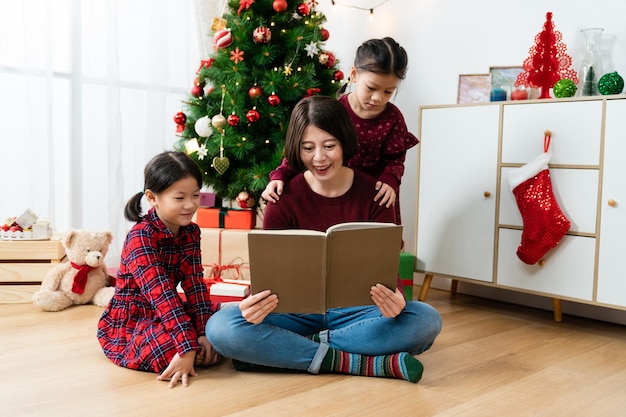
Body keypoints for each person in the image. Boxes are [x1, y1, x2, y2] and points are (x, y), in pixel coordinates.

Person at [206, 96, 441, 383]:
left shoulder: (376, 195)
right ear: (297, 148)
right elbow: (270, 273)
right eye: (308, 148)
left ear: (344, 141)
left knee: (425, 320)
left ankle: (286, 352)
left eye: (329, 146)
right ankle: (356, 362)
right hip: (293, 313)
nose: (319, 157)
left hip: (358, 313)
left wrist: (396, 302)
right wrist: (253, 303)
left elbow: (387, 268)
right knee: (221, 327)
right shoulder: (282, 197)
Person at [262, 37, 418, 225]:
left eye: (388, 92)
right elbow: (305, 146)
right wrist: (279, 175)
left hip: (371, 196)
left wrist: (390, 179)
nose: (377, 98)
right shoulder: (336, 111)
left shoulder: (393, 118)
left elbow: (396, 159)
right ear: (354, 75)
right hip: (333, 188)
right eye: (371, 88)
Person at [97, 151, 220, 388]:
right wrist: (186, 346)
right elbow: (161, 295)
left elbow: (194, 285)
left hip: (167, 313)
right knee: (175, 348)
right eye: (179, 198)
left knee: (219, 332)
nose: (190, 205)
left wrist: (204, 332)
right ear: (153, 197)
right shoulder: (140, 237)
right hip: (133, 320)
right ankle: (189, 350)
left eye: (195, 196)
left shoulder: (191, 232)